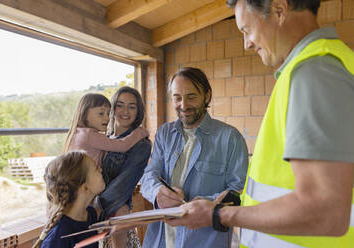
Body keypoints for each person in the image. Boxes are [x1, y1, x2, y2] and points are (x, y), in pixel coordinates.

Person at [166, 1, 354, 247]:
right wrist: (239, 200)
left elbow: (325, 211)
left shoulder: (314, 72)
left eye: (247, 30)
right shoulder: (324, 65)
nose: (247, 43)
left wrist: (218, 214)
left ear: (279, 10)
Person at [140, 67, 249, 248]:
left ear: (207, 96)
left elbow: (237, 193)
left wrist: (207, 204)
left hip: (205, 241)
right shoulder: (164, 133)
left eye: (191, 97)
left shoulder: (230, 138)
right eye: (177, 98)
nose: (183, 105)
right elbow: (149, 175)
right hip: (159, 240)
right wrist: (157, 192)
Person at [97, 86, 152, 248]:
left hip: (114, 217)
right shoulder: (104, 139)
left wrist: (94, 208)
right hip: (98, 221)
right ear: (112, 108)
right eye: (120, 105)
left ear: (138, 112)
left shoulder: (141, 145)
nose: (125, 111)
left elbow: (121, 187)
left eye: (132, 106)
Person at [33, 150, 105, 248]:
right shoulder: (59, 237)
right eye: (96, 169)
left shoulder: (90, 215)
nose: (101, 169)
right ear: (85, 188)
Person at [63, 93, 149, 167]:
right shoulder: (90, 135)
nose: (107, 118)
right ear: (84, 113)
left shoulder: (78, 132)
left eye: (108, 113)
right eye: (101, 113)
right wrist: (140, 132)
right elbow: (123, 146)